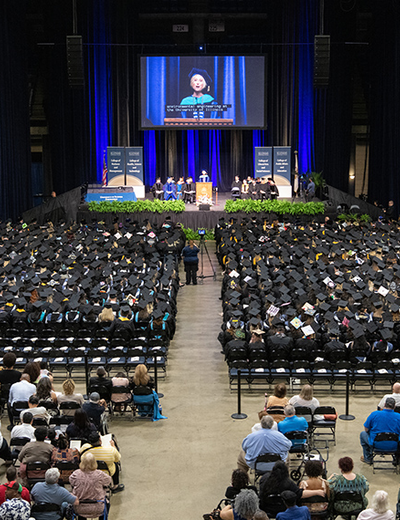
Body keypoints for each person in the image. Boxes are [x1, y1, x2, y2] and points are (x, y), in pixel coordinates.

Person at [69, 452, 112, 520]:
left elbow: (71, 482)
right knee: (107, 503)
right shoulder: (100, 474)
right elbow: (108, 481)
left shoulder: (76, 474)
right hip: (98, 507)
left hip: (80, 507)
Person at [360, 397, 400, 464]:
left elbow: (366, 428)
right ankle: (397, 459)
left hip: (376, 444)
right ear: (394, 406)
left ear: (384, 404)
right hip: (394, 445)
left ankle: (368, 458)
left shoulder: (374, 414)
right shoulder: (398, 416)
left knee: (363, 434)